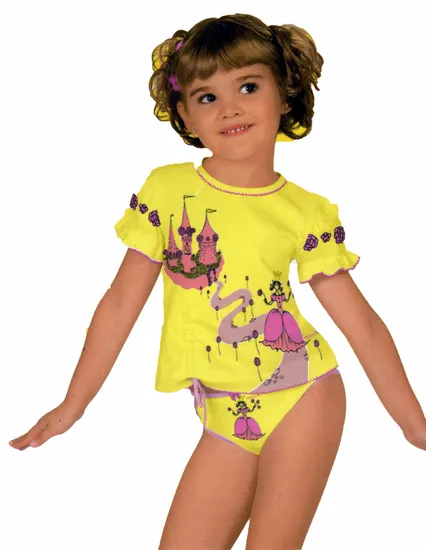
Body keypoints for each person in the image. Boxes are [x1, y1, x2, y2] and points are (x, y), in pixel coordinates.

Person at [9, 13, 426, 550]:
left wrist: (414, 423)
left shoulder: (306, 212)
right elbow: (120, 303)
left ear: (285, 92)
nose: (230, 108)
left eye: (248, 87)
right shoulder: (167, 192)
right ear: (185, 113)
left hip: (302, 397)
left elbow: (361, 324)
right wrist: (73, 405)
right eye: (207, 96)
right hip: (223, 413)